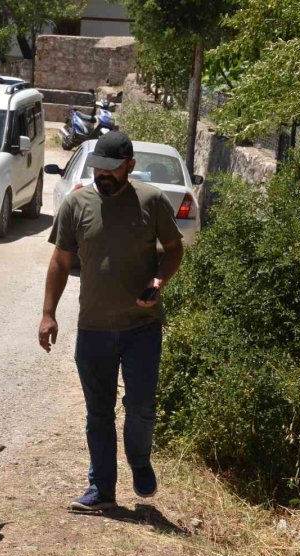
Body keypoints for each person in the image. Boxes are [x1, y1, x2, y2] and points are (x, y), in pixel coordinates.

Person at [38, 131, 184, 512]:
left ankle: (139, 462)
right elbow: (60, 261)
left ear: (129, 167)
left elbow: (173, 249)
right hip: (94, 328)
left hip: (142, 326)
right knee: (98, 413)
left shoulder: (151, 201)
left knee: (141, 406)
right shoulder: (76, 204)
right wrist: (48, 313)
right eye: (98, 168)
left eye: (112, 169)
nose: (103, 175)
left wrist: (158, 281)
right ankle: (101, 489)